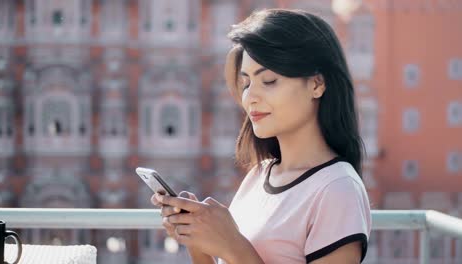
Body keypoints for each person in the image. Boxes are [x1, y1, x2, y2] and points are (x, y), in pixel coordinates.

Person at [151, 8, 372, 264]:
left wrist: (232, 244)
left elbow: (236, 251)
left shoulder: (337, 189)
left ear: (316, 84)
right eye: (246, 84)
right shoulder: (259, 175)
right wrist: (198, 240)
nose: (251, 97)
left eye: (268, 81)